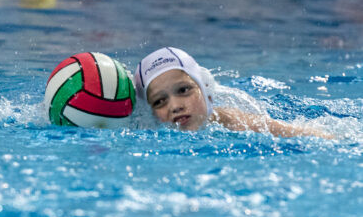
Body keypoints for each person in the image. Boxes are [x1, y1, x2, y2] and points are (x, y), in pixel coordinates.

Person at [134, 47, 333, 139]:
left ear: (207, 92)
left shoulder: (233, 122)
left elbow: (312, 136)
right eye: (160, 101)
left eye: (184, 90)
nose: (175, 105)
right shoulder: (146, 137)